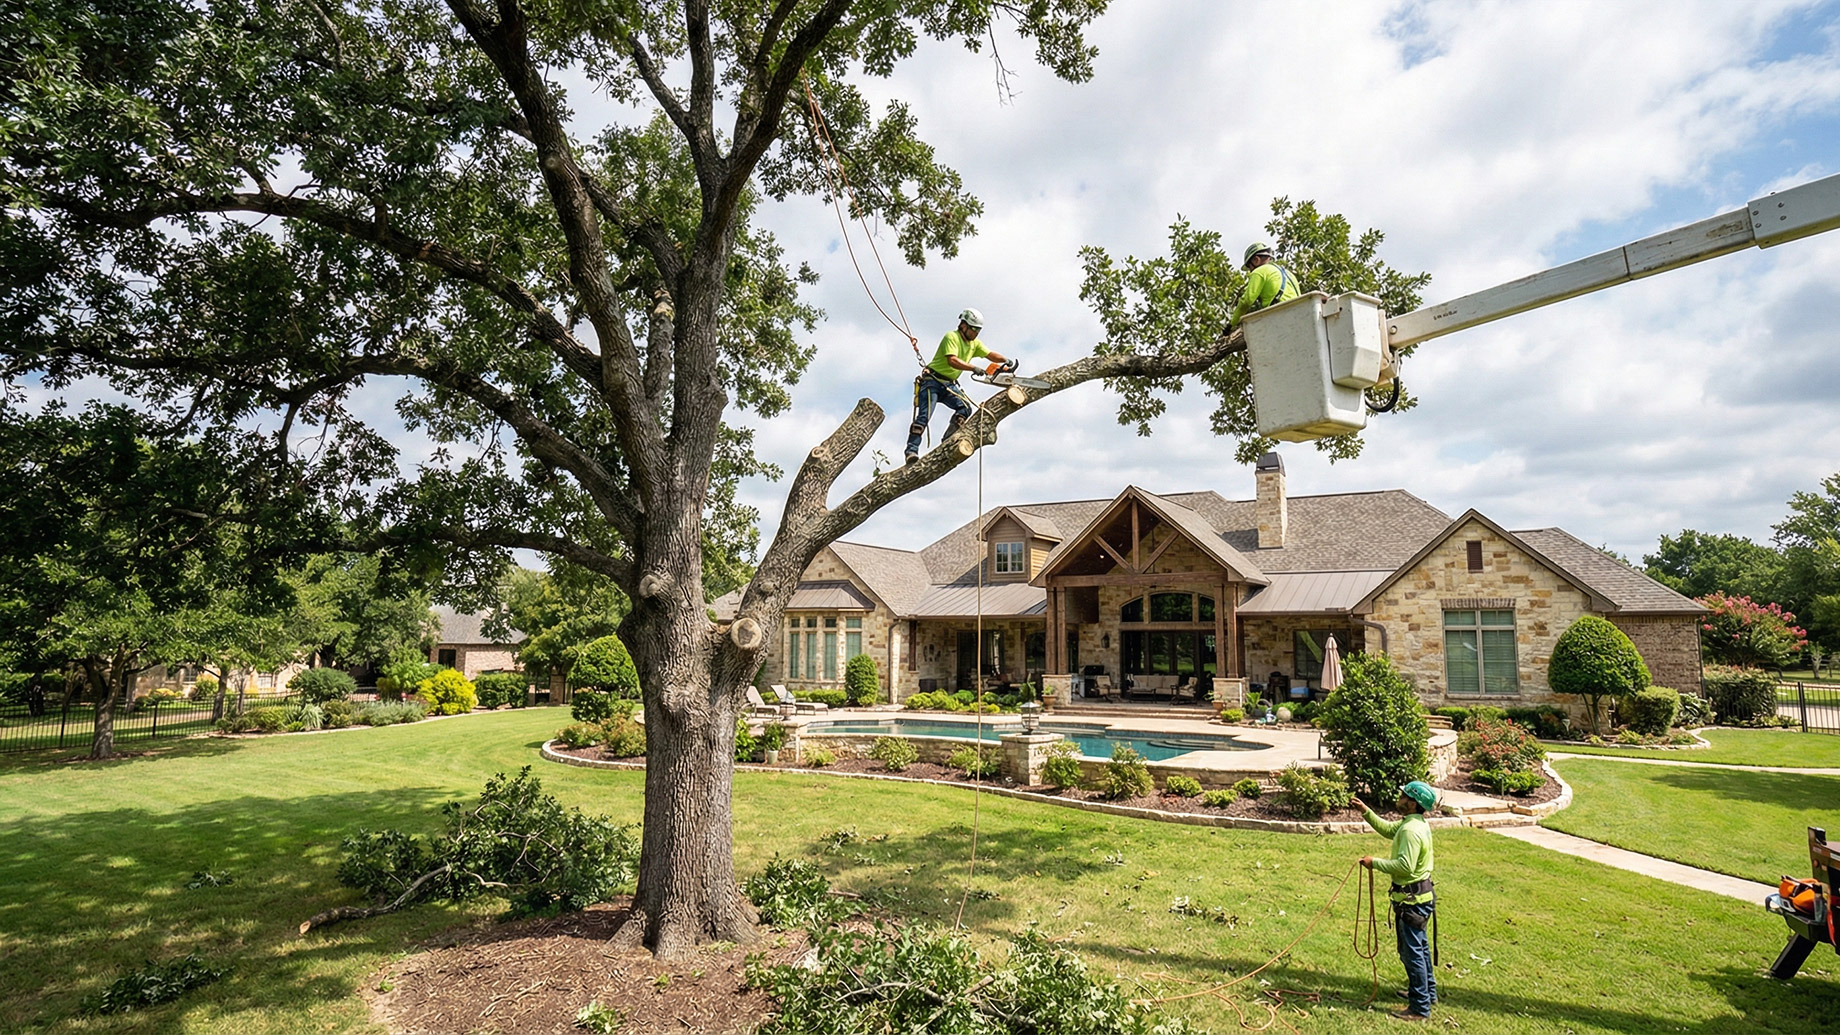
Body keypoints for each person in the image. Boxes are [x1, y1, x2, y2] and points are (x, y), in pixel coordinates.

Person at [1360, 780, 1439, 1023]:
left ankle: (1419, 1007)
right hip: (1420, 897)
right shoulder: (1414, 823)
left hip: (1411, 901)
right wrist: (1366, 812)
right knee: (1421, 950)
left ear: (1413, 803)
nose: (1400, 797)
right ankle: (1427, 993)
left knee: (1412, 953)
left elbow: (1405, 866)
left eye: (1404, 795)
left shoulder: (1410, 831)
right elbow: (1387, 830)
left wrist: (1375, 862)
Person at [905, 308, 1010, 464]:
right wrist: (972, 368)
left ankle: (948, 439)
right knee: (924, 417)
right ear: (964, 325)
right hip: (932, 382)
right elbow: (952, 360)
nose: (976, 333)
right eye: (974, 329)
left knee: (965, 408)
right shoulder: (951, 337)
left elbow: (989, 354)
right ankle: (911, 451)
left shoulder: (974, 344)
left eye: (978, 330)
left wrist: (1005, 360)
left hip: (949, 384)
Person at [1228, 242, 1302, 332]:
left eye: (1249, 267)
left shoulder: (1259, 271)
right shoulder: (1289, 274)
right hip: (1298, 315)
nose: (1250, 271)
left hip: (1278, 316)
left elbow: (1246, 301)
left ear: (1256, 260)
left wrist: (1231, 324)